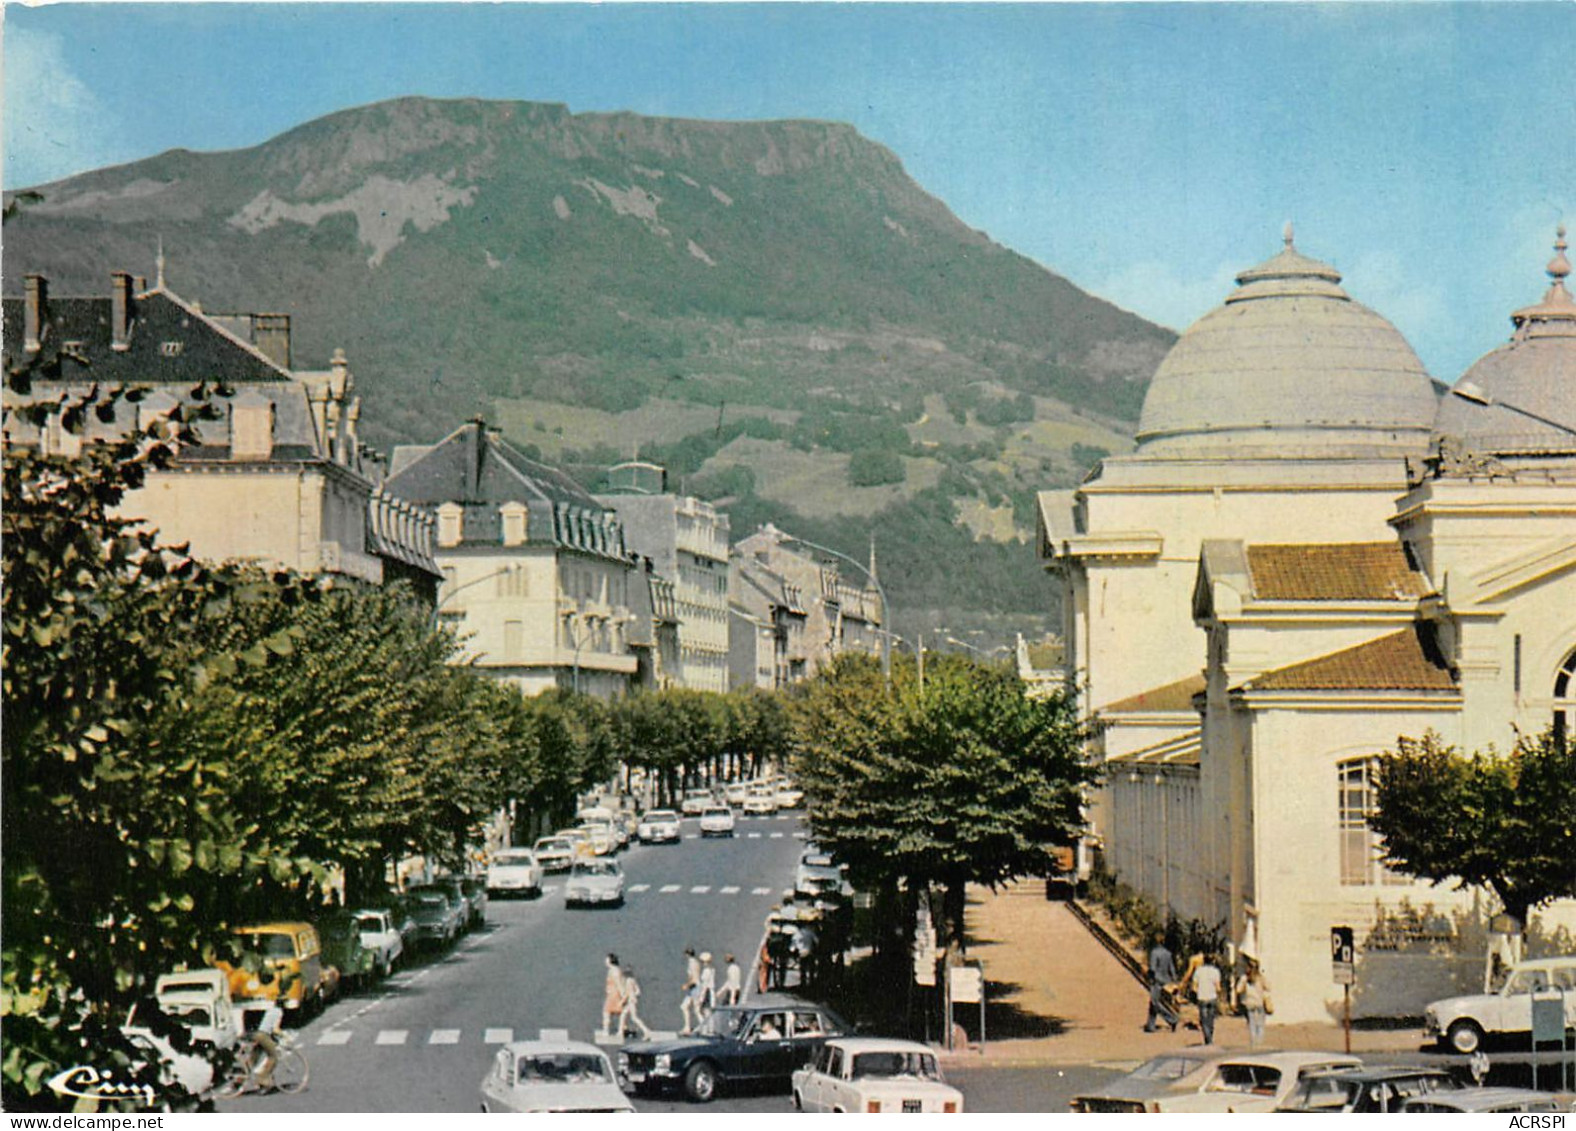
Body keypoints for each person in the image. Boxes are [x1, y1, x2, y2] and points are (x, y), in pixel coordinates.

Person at [242, 1000, 284, 1092]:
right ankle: (262, 1079)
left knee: (254, 1058)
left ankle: (239, 1078)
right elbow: (275, 1029)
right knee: (273, 1056)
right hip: (263, 1036)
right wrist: (284, 1035)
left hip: (258, 1034)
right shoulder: (278, 1012)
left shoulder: (270, 1010)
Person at [1144, 935, 1179, 1032]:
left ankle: (1172, 1019)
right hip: (1166, 980)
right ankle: (1150, 1025)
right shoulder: (1168, 953)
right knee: (1153, 1002)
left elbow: (1152, 969)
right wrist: (1174, 981)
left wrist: (1149, 977)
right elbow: (1172, 968)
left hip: (1157, 980)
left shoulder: (1154, 953)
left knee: (1155, 1002)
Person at [1234, 957, 1271, 1047]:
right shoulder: (1260, 978)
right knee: (1260, 1026)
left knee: (1252, 1025)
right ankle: (1259, 1044)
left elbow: (1238, 990)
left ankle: (1253, 1045)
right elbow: (1268, 987)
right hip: (1259, 1003)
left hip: (1249, 1004)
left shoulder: (1245, 978)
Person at [1192, 952, 1222, 1045]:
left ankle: (1208, 1039)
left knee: (1204, 1020)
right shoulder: (1216, 971)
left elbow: (1194, 987)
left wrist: (1197, 992)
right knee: (1211, 1019)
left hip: (1202, 997)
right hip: (1212, 997)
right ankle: (1210, 1037)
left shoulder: (1198, 971)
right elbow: (1218, 987)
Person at [619, 966, 652, 1040]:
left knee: (634, 1017)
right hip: (633, 1000)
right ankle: (620, 1031)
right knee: (623, 1014)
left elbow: (628, 993)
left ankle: (646, 1030)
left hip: (631, 1001)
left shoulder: (628, 981)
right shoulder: (633, 980)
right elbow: (638, 991)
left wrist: (622, 1001)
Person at [600, 954, 625, 1040]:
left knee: (606, 1012)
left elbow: (618, 983)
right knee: (618, 1012)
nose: (605, 961)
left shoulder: (614, 971)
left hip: (614, 994)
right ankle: (620, 1030)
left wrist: (623, 996)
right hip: (612, 993)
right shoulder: (613, 970)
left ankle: (606, 1031)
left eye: (607, 960)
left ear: (611, 961)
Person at [679, 947, 703, 1034]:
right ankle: (687, 1027)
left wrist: (686, 985)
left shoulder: (692, 963)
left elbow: (694, 978)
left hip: (695, 987)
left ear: (687, 955)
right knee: (684, 1006)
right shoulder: (696, 962)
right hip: (694, 987)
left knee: (696, 1010)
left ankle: (704, 1026)